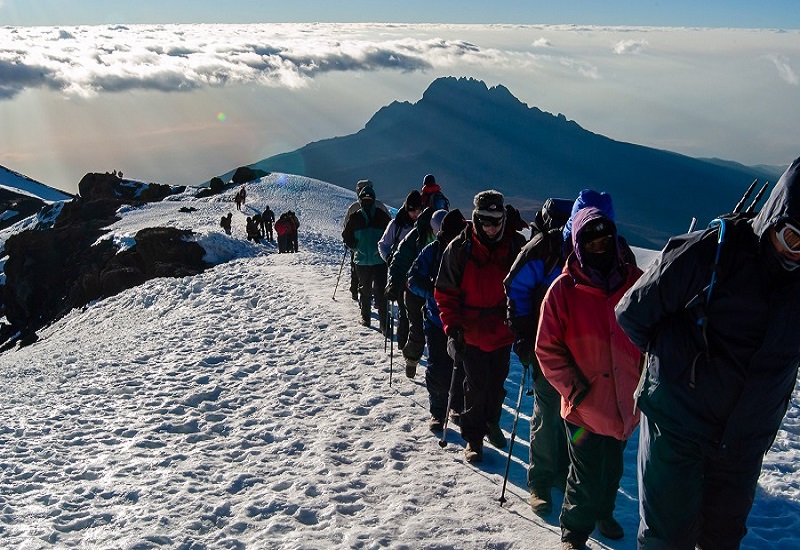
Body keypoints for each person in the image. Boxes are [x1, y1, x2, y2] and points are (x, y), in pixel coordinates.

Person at [614, 157, 800, 550]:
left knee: (722, 540)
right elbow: (633, 312)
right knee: (667, 540)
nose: (797, 255)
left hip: (744, 443)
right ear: (774, 219)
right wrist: (679, 371)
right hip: (679, 427)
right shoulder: (714, 251)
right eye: (793, 238)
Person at [504, 190, 634, 517]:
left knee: (581, 430)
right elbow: (516, 287)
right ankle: (541, 481)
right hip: (551, 352)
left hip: (603, 363)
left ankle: (566, 481)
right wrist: (522, 336)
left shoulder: (620, 256)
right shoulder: (546, 249)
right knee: (549, 416)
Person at [535, 207, 643, 550]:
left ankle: (604, 513)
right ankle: (574, 533)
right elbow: (546, 349)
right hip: (584, 405)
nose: (600, 248)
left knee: (612, 469)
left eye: (605, 241)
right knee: (584, 473)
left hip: (626, 402)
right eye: (591, 242)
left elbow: (655, 332)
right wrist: (574, 389)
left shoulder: (635, 281)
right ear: (579, 245)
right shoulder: (563, 291)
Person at [435, 190, 527, 463]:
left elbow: (525, 289)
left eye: (496, 221)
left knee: (497, 385)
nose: (490, 227)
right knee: (475, 386)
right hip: (470, 332)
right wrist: (452, 329)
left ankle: (491, 422)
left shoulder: (515, 246)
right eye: (485, 220)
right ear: (475, 218)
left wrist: (522, 325)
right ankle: (473, 438)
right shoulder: (459, 249)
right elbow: (445, 293)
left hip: (502, 330)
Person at [408, 209, 466, 430]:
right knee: (438, 367)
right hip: (436, 319)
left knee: (460, 367)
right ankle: (438, 412)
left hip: (459, 321)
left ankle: (456, 407)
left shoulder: (467, 251)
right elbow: (413, 279)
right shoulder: (432, 252)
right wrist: (434, 293)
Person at [387, 206, 442, 377]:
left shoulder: (452, 240)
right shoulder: (415, 237)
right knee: (417, 332)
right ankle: (411, 359)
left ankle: (440, 376)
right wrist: (393, 285)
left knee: (438, 336)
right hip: (414, 291)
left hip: (438, 295)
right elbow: (400, 260)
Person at [343, 184, 392, 331]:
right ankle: (369, 318)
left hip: (371, 260)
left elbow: (390, 234)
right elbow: (347, 236)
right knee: (367, 289)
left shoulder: (368, 216)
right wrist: (354, 246)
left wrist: (355, 247)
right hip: (369, 260)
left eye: (369, 197)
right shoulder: (359, 216)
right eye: (364, 198)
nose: (367, 200)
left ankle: (380, 321)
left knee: (377, 290)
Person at [380, 190, 424, 351]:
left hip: (419, 276)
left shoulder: (425, 226)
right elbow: (383, 244)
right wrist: (389, 259)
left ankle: (411, 345)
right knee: (405, 313)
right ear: (407, 209)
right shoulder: (396, 225)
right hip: (400, 276)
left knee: (415, 314)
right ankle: (404, 346)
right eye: (412, 210)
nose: (416, 213)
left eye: (419, 209)